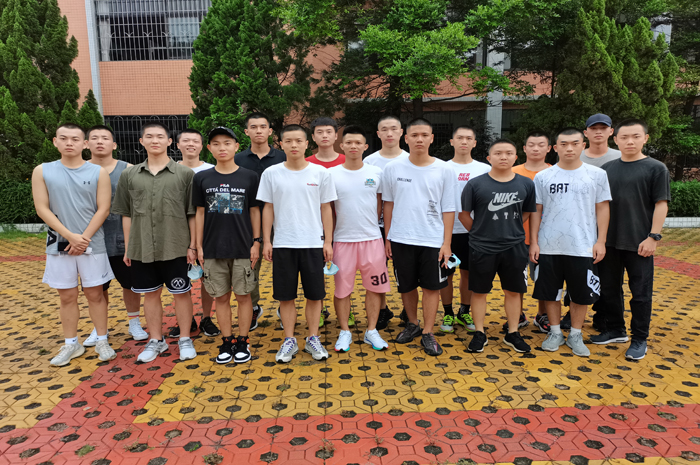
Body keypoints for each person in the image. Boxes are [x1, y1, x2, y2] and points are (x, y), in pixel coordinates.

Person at [112, 122, 198, 363]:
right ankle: (156, 340)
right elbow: (126, 214)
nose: (155, 140)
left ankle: (185, 338)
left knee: (181, 293)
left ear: (170, 142)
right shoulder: (129, 175)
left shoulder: (185, 174)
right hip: (142, 247)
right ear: (141, 141)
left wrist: (192, 246)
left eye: (160, 136)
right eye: (149, 136)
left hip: (176, 246)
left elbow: (192, 213)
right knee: (150, 295)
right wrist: (128, 247)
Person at [32, 123, 116, 366]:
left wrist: (83, 238)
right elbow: (42, 208)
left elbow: (103, 209)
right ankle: (71, 344)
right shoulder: (43, 170)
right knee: (67, 296)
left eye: (75, 139)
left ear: (84, 144)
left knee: (95, 294)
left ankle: (102, 340)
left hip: (93, 243)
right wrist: (70, 236)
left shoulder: (98, 172)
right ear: (55, 141)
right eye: (64, 138)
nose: (69, 143)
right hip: (59, 243)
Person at [591, 119, 670, 360]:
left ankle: (639, 339)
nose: (630, 141)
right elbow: (600, 206)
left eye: (636, 136)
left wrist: (653, 237)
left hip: (640, 242)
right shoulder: (607, 169)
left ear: (645, 138)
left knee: (641, 294)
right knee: (609, 290)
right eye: (624, 137)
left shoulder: (656, 168)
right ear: (615, 139)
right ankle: (616, 329)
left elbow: (661, 204)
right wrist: (599, 240)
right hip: (609, 242)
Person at [529, 128, 612, 358]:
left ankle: (576, 334)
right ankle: (555, 332)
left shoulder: (597, 175)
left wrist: (601, 241)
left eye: (575, 143)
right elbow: (536, 210)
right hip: (549, 246)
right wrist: (534, 241)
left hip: (583, 246)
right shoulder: (543, 176)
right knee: (551, 293)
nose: (569, 148)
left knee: (581, 294)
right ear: (555, 148)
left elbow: (602, 208)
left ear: (583, 145)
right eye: (564, 144)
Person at [257, 124, 336, 362]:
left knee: (315, 295)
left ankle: (313, 338)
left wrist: (328, 241)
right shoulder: (271, 173)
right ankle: (289, 339)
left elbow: (326, 209)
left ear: (306, 144)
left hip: (313, 243)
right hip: (283, 244)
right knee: (286, 296)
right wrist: (267, 241)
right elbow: (267, 208)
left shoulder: (320, 173)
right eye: (289, 141)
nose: (294, 145)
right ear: (281, 144)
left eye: (299, 141)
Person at [383, 118, 456, 357]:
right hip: (401, 238)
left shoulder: (444, 169)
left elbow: (449, 209)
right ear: (406, 138)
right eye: (414, 135)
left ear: (432, 138)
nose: (419, 139)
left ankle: (428, 331)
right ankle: (412, 324)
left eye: (424, 135)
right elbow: (388, 204)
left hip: (432, 241)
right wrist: (388, 238)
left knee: (431, 287)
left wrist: (446, 243)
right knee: (406, 286)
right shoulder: (393, 168)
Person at [460, 139, 536, 354]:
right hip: (482, 247)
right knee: (479, 291)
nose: (503, 157)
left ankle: (513, 332)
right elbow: (463, 215)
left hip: (515, 246)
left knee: (513, 291)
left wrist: (511, 229)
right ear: (489, 158)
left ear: (516, 157)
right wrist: (479, 232)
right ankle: (479, 332)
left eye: (509, 153)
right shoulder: (475, 184)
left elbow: (527, 212)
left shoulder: (526, 184)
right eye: (498, 153)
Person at [194, 127, 260, 364]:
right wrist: (198, 246)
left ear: (236, 146)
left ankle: (243, 340)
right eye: (216, 143)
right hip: (213, 249)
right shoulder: (202, 178)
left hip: (243, 248)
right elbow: (200, 213)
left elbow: (255, 211)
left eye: (227, 143)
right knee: (220, 297)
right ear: (209, 148)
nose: (222, 148)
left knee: (244, 296)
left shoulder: (250, 176)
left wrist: (256, 242)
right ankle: (227, 340)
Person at [83, 125, 148, 346]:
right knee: (97, 287)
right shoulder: (80, 170)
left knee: (130, 284)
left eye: (105, 138)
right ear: (87, 144)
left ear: (114, 144)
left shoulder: (128, 169)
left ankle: (134, 322)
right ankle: (99, 327)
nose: (100, 142)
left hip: (122, 238)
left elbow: (138, 205)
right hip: (90, 240)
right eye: (94, 138)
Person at [328, 125, 390, 352]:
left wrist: (385, 237)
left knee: (375, 288)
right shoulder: (331, 174)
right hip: (342, 240)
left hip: (372, 239)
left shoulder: (376, 173)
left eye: (358, 143)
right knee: (342, 290)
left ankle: (371, 330)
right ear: (342, 146)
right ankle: (344, 331)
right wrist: (328, 241)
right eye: (349, 143)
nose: (353, 146)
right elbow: (327, 209)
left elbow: (381, 204)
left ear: (365, 146)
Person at [234, 112, 286, 330]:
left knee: (283, 266)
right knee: (250, 266)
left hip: (281, 220)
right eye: (253, 127)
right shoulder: (238, 159)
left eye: (263, 127)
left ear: (270, 131)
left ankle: (285, 307)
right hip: (248, 222)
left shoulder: (283, 157)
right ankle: (254, 307)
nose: (258, 131)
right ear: (246, 131)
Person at [440, 126, 490, 333]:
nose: (464, 141)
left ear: (474, 143)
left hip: (473, 232)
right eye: (459, 137)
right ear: (452, 142)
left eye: (469, 138)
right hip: (446, 233)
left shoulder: (484, 169)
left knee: (468, 274)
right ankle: (448, 313)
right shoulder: (441, 168)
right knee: (446, 275)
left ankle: (464, 311)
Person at [171, 128, 219, 339]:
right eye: (186, 141)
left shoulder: (212, 171)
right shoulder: (169, 170)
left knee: (208, 278)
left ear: (202, 146)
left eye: (195, 141)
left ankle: (206, 318)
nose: (190, 144)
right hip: (176, 234)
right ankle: (187, 319)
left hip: (208, 234)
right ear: (177, 145)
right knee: (180, 280)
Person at [363, 115, 410, 329]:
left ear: (401, 132)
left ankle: (408, 310)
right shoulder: (369, 161)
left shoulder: (410, 159)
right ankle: (382, 310)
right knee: (377, 270)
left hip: (403, 225)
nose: (389, 133)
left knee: (406, 271)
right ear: (378, 134)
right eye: (384, 129)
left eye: (393, 129)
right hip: (375, 226)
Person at [506, 131, 553, 334]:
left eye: (541, 144)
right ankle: (518, 315)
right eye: (531, 144)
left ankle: (542, 314)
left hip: (546, 237)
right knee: (516, 279)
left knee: (543, 279)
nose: (536, 148)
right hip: (515, 236)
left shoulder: (555, 173)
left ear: (549, 148)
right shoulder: (512, 172)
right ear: (524, 148)